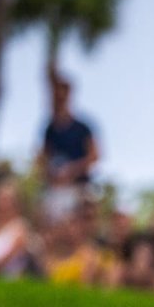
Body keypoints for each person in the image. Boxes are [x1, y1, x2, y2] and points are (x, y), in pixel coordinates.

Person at [38, 74, 99, 223]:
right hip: (55, 191)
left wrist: (71, 170)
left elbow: (95, 156)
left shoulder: (82, 127)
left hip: (78, 189)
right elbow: (42, 159)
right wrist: (51, 175)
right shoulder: (49, 130)